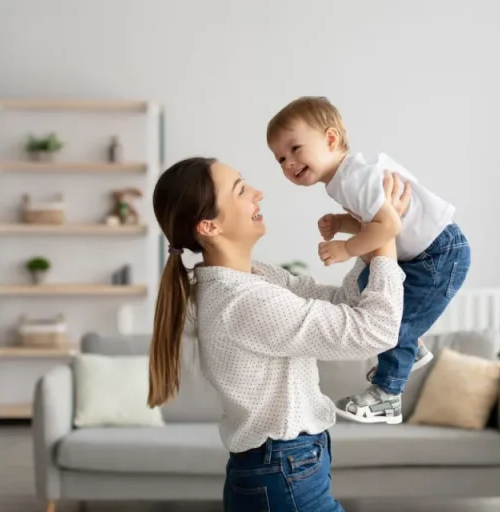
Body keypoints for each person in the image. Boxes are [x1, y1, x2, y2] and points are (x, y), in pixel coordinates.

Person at [147, 156, 411, 512]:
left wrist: (371, 235)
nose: (259, 193)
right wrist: (385, 238)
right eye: (241, 190)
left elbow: (339, 302)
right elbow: (375, 331)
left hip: (283, 469)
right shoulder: (242, 301)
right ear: (209, 226)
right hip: (284, 474)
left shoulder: (255, 278)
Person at [266, 96, 472, 424]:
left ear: (331, 139)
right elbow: (375, 220)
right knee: (368, 284)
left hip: (438, 253)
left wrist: (346, 248)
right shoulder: (343, 181)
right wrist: (341, 223)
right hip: (420, 253)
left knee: (391, 325)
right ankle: (412, 348)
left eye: (295, 149)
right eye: (279, 158)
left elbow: (388, 225)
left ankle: (388, 395)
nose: (288, 162)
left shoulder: (353, 179)